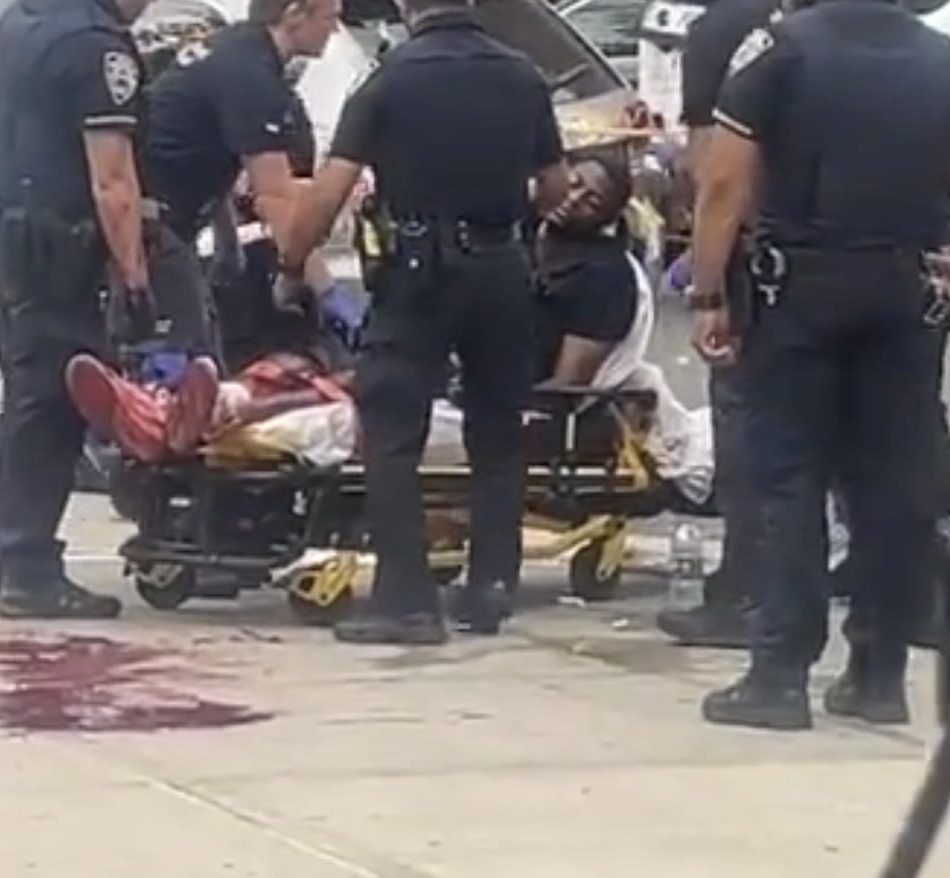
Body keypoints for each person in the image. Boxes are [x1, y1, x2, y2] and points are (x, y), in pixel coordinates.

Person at [689, 0, 950, 729]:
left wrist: (708, 293)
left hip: (798, 289)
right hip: (908, 291)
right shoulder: (938, 59)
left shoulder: (776, 48)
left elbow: (723, 184)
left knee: (786, 479)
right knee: (891, 484)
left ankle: (778, 673)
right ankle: (878, 672)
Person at [280, 0, 573, 645]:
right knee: (496, 431)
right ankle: (491, 586)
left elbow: (329, 192)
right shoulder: (522, 76)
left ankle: (406, 598)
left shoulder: (391, 79)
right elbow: (556, 187)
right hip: (501, 269)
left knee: (391, 430)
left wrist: (291, 263)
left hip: (419, 273)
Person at [0, 0, 168, 618]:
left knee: (25, 387)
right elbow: (112, 179)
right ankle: (30, 568)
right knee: (53, 399)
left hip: (7, 229)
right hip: (56, 242)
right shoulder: (95, 44)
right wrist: (135, 280)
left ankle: (2, 547)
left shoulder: (22, 18)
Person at [656, 0, 781, 650]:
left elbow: (714, 173)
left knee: (750, 432)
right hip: (883, 259)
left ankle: (743, 593)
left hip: (760, 260)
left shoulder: (720, 32)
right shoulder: (904, 42)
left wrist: (706, 283)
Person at [144, 0, 354, 349]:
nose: (334, 29)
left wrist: (227, 239)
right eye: (330, 18)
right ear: (294, 15)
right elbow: (276, 199)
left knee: (198, 333)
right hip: (155, 224)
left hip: (165, 213)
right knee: (193, 349)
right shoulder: (251, 77)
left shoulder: (233, 48)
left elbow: (205, 148)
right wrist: (325, 288)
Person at [534, 148, 638, 388]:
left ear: (605, 219)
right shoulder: (517, 230)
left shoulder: (605, 276)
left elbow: (567, 385)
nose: (572, 200)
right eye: (573, 184)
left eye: (591, 202)